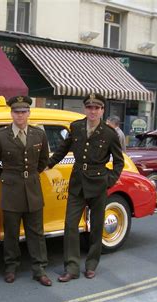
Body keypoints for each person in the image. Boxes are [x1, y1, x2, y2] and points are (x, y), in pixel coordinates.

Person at [47, 93, 124, 282]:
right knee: (70, 225)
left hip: (98, 183)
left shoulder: (109, 133)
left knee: (97, 226)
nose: (93, 111)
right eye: (89, 107)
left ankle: (91, 265)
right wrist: (48, 164)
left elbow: (119, 162)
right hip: (77, 183)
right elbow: (63, 149)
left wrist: (109, 181)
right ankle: (71, 268)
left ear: (102, 111)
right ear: (85, 109)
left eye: (97, 108)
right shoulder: (76, 127)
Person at [0, 95, 52, 287]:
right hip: (11, 191)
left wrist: (30, 175)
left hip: (33, 190)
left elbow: (44, 160)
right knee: (11, 233)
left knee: (36, 233)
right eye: (16, 112)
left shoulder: (39, 135)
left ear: (29, 113)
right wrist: (6, 179)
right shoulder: (0, 136)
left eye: (23, 112)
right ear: (11, 113)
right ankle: (11, 267)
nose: (20, 116)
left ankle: (39, 269)